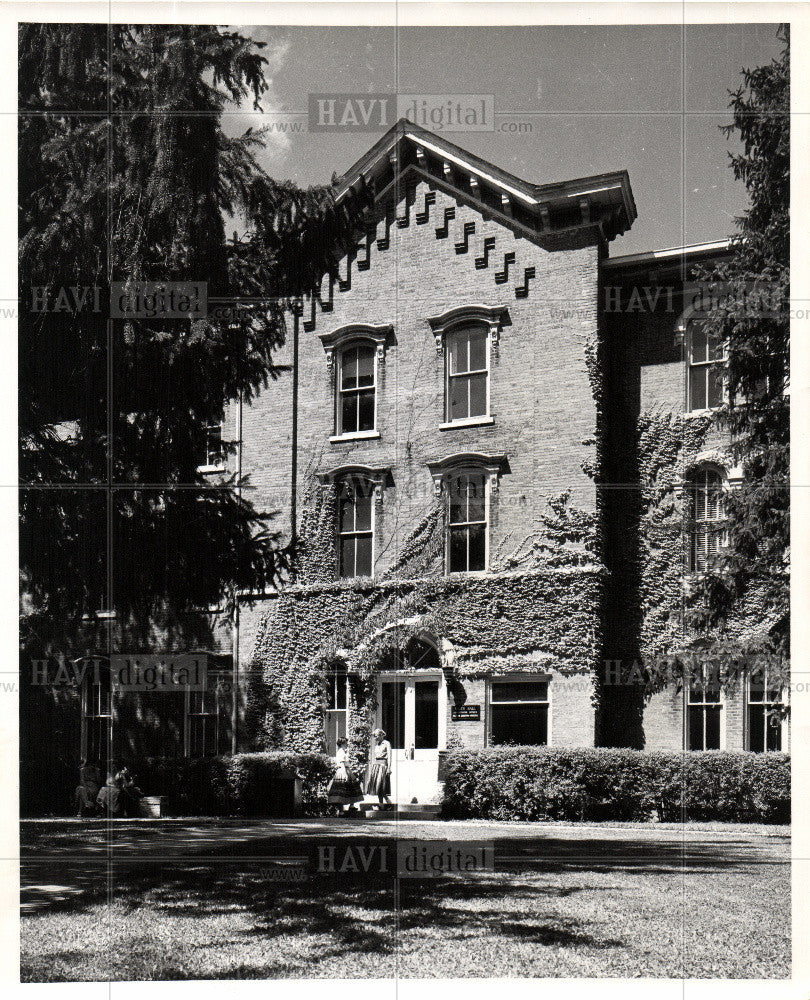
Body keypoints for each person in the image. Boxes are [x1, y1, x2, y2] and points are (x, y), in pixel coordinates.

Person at [326, 738, 364, 814]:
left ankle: (351, 806)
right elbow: (342, 764)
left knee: (351, 788)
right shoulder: (340, 752)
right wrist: (345, 774)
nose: (347, 744)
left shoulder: (343, 751)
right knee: (341, 790)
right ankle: (341, 810)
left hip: (347, 770)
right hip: (343, 771)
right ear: (342, 744)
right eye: (346, 743)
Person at [365, 728, 392, 808]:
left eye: (376, 736)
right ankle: (382, 804)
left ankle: (387, 802)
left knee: (381, 786)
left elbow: (389, 757)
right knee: (377, 786)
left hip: (383, 765)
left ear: (381, 735)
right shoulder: (376, 745)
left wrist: (389, 767)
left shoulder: (386, 743)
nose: (375, 738)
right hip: (376, 766)